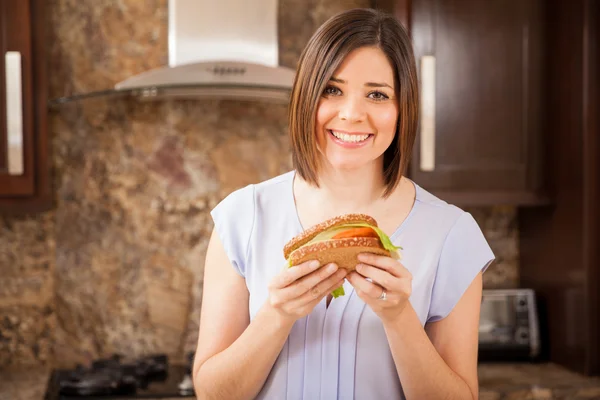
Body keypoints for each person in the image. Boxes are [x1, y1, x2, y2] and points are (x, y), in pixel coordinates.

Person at [192, 8, 495, 400]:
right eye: (332, 90)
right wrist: (277, 315)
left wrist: (399, 317)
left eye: (377, 94)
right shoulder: (242, 218)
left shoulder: (453, 236)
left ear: (403, 108)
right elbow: (213, 394)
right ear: (306, 97)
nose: (352, 114)